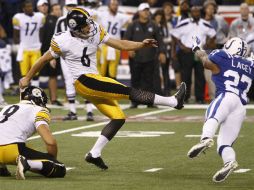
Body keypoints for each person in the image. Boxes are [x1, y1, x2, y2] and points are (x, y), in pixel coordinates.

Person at [19, 8, 187, 170]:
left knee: (118, 117)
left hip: (94, 79)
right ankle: (173, 101)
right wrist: (27, 77)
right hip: (84, 81)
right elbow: (43, 60)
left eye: (88, 23)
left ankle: (94, 153)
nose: (89, 27)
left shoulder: (94, 30)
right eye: (84, 25)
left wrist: (140, 45)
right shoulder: (62, 40)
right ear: (75, 29)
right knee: (127, 91)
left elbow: (120, 44)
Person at [187, 36, 254, 182]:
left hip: (227, 96)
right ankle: (229, 162)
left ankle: (205, 139)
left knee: (212, 116)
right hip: (241, 107)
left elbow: (205, 61)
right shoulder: (250, 65)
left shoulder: (222, 56)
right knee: (224, 143)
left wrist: (197, 48)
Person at [0, 86, 66, 180]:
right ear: (39, 99)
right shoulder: (38, 110)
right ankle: (27, 163)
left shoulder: (6, 107)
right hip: (13, 150)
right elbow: (50, 142)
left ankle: (2, 167)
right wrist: (52, 160)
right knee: (60, 168)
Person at [55, 0, 94, 121]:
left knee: (86, 80)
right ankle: (73, 111)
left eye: (73, 5)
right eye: (69, 5)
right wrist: (54, 55)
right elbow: (55, 38)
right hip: (65, 56)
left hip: (81, 54)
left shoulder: (84, 17)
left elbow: (90, 34)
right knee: (69, 81)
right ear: (65, 6)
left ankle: (89, 110)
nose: (71, 8)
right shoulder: (61, 20)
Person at [171, 6, 216, 103]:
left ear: (200, 13)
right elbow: (174, 34)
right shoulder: (184, 23)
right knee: (186, 76)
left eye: (197, 12)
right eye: (194, 12)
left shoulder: (205, 23)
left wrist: (207, 44)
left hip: (199, 52)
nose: (196, 13)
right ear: (190, 13)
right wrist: (181, 46)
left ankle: (200, 98)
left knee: (200, 76)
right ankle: (185, 97)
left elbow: (213, 34)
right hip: (186, 52)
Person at [124, 3, 166, 108]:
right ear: (139, 12)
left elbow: (160, 41)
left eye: (147, 10)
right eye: (144, 10)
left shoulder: (154, 25)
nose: (146, 12)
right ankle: (135, 101)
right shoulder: (132, 25)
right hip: (136, 58)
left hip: (150, 57)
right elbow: (126, 39)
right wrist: (129, 49)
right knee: (135, 80)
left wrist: (162, 52)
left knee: (150, 81)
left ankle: (149, 101)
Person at [12, 0, 45, 87]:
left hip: (36, 48)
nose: (30, 8)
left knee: (36, 73)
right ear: (23, 9)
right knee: (24, 74)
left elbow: (41, 32)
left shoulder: (40, 16)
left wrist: (39, 44)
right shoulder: (18, 17)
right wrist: (17, 45)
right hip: (24, 49)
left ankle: (35, 92)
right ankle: (24, 93)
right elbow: (16, 34)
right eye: (28, 7)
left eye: (31, 6)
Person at [96, 0, 130, 79]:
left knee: (113, 72)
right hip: (104, 45)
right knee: (102, 70)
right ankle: (100, 89)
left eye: (116, 5)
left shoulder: (121, 16)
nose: (115, 6)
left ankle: (111, 89)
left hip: (115, 46)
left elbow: (131, 20)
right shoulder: (102, 14)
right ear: (108, 6)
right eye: (113, 4)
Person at [39, 1, 63, 106]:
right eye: (56, 9)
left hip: (60, 51)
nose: (59, 11)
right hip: (52, 51)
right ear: (52, 11)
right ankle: (53, 99)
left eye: (59, 9)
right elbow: (48, 38)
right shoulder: (50, 20)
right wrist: (51, 55)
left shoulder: (60, 20)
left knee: (59, 76)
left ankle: (62, 98)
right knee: (52, 75)